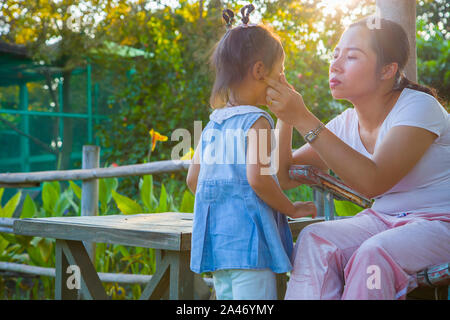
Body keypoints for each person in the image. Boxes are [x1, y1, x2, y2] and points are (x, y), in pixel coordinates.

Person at [265, 17, 450, 299]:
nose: (335, 65)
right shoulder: (346, 123)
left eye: (352, 56)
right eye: (336, 54)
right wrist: (286, 118)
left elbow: (373, 181)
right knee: (315, 239)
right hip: (384, 219)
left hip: (440, 224)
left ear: (387, 70)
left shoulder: (419, 107)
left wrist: (303, 117)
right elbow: (284, 176)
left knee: (374, 255)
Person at [186, 5, 316, 300]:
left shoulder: (213, 123)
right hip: (251, 248)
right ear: (260, 71)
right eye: (280, 73)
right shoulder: (257, 120)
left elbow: (194, 181)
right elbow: (258, 179)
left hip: (219, 250)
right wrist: (292, 209)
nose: (282, 80)